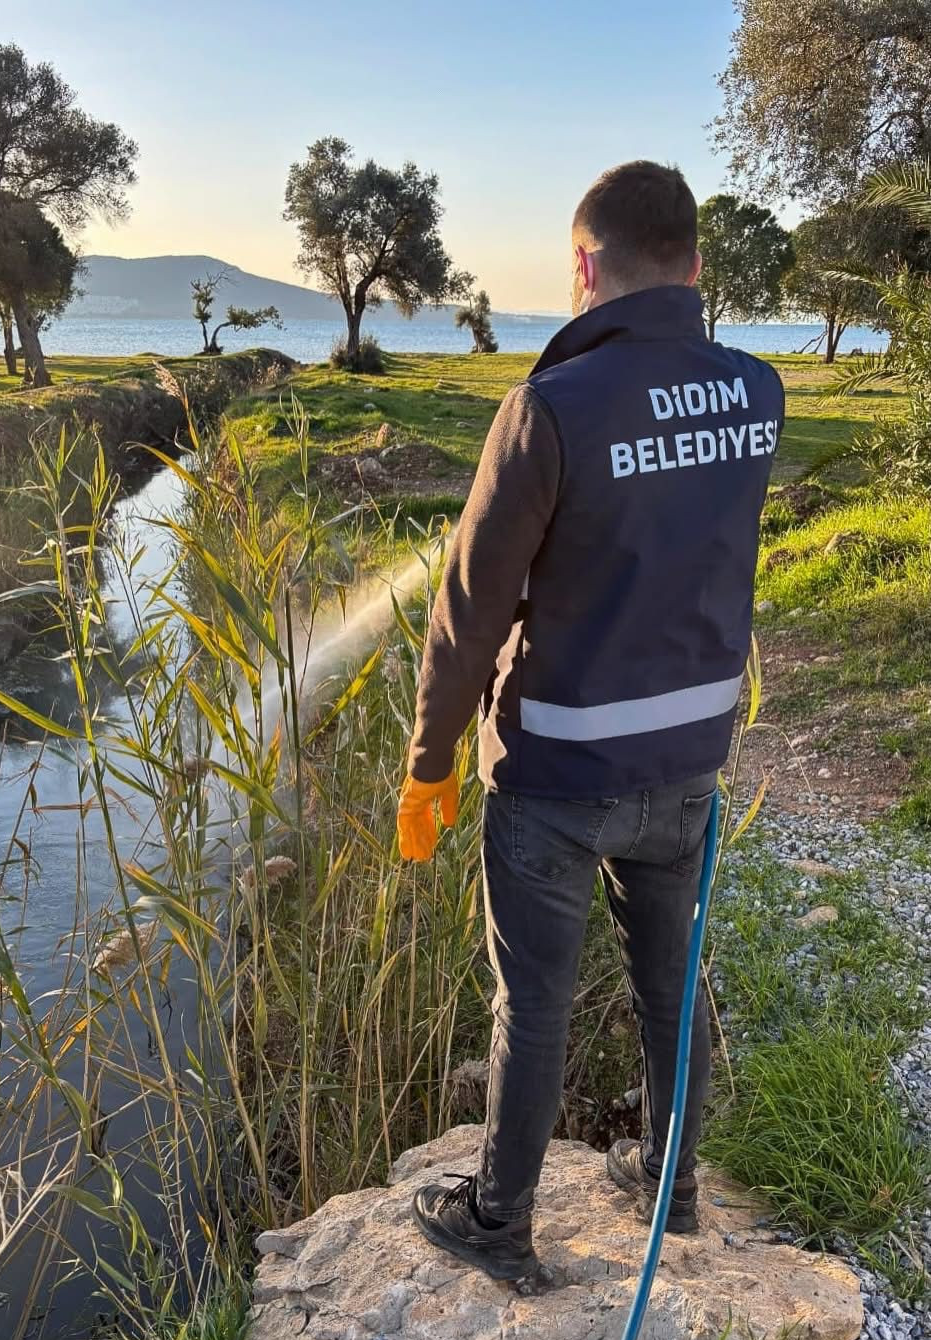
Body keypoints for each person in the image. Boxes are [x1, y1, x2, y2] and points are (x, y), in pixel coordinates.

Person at [397, 160, 785, 1282]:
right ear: (694, 264)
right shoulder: (755, 394)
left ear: (581, 264)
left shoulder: (549, 409)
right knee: (669, 984)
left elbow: (467, 612)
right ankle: (669, 1185)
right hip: (688, 766)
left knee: (533, 1002)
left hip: (556, 776)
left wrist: (428, 763)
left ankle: (498, 1222)